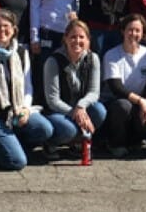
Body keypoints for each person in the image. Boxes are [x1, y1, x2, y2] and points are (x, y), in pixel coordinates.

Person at [0, 9, 55, 170]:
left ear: (14, 29)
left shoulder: (22, 52)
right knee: (17, 162)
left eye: (6, 26)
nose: (2, 30)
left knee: (45, 129)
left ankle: (11, 146)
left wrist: (26, 109)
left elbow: (28, 88)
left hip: (15, 112)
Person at [100, 14, 146, 157]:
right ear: (122, 31)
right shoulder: (111, 55)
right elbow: (116, 88)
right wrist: (141, 102)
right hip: (116, 101)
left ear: (143, 34)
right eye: (130, 30)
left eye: (137, 31)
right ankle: (115, 143)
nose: (133, 34)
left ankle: (136, 141)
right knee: (123, 106)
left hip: (140, 101)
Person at [42, 20, 106, 152]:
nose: (77, 41)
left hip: (80, 108)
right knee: (68, 129)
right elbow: (53, 100)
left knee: (100, 111)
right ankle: (51, 143)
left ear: (88, 40)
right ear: (65, 39)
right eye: (73, 37)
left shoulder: (93, 58)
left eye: (81, 37)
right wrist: (76, 113)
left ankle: (77, 142)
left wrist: (81, 106)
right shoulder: (53, 61)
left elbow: (94, 92)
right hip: (59, 111)